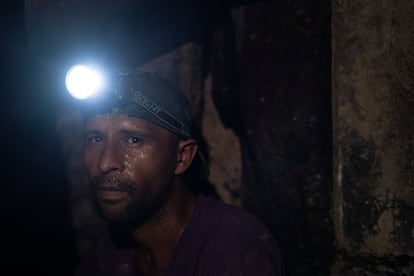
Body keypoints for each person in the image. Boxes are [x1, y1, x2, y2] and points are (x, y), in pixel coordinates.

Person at [74, 71, 285, 276]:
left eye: (133, 140)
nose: (105, 163)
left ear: (182, 157)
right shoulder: (107, 255)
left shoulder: (235, 250)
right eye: (96, 139)